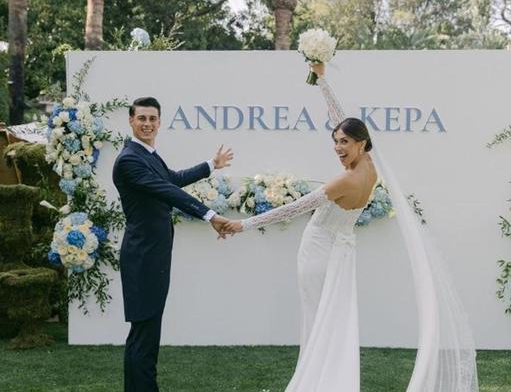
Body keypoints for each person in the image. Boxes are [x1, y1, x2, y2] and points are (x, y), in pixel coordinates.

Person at [222, 64, 479, 392]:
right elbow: (340, 117)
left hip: (318, 250)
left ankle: (315, 383)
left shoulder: (345, 178)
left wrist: (241, 225)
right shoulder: (371, 165)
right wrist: (322, 80)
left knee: (317, 321)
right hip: (342, 251)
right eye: (335, 141)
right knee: (332, 321)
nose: (338, 147)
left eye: (344, 142)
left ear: (361, 143)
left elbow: (294, 208)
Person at [112, 96, 233, 392]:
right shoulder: (129, 159)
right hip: (143, 258)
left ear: (159, 122)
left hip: (152, 257)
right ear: (130, 120)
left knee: (146, 334)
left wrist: (210, 165)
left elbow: (173, 179)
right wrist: (210, 215)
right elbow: (166, 190)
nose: (147, 124)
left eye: (153, 119)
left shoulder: (148, 155)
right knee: (144, 336)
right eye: (142, 118)